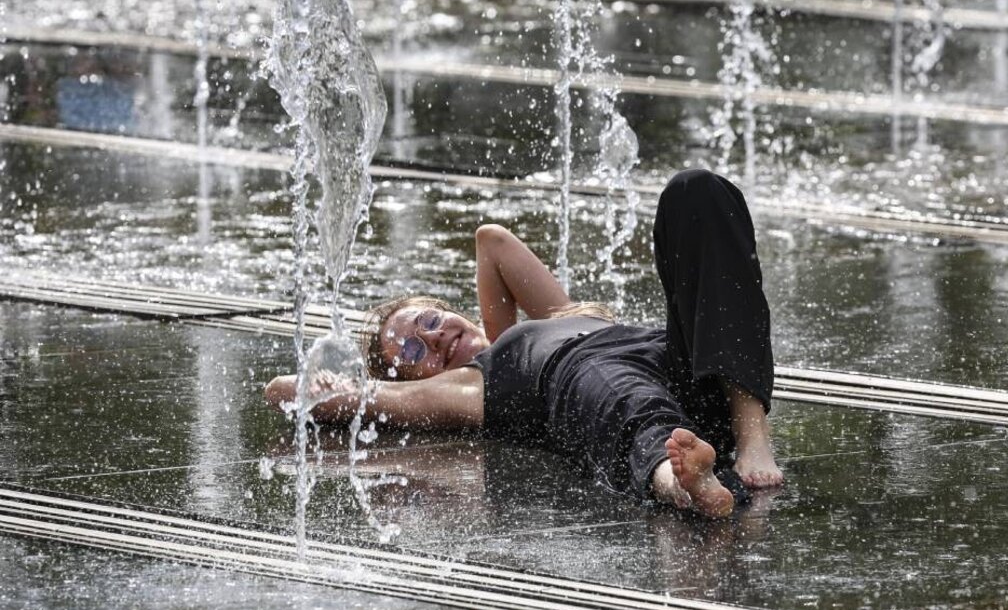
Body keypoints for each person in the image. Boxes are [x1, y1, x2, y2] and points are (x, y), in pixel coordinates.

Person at [265, 169, 783, 518]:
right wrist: (338, 386)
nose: (432, 336)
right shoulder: (465, 388)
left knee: (697, 191)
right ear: (415, 379)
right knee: (625, 398)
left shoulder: (538, 326)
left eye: (428, 319)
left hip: (679, 366)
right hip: (593, 384)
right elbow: (283, 389)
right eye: (415, 351)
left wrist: (494, 332)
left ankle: (751, 433)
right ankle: (680, 481)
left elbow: (492, 241)